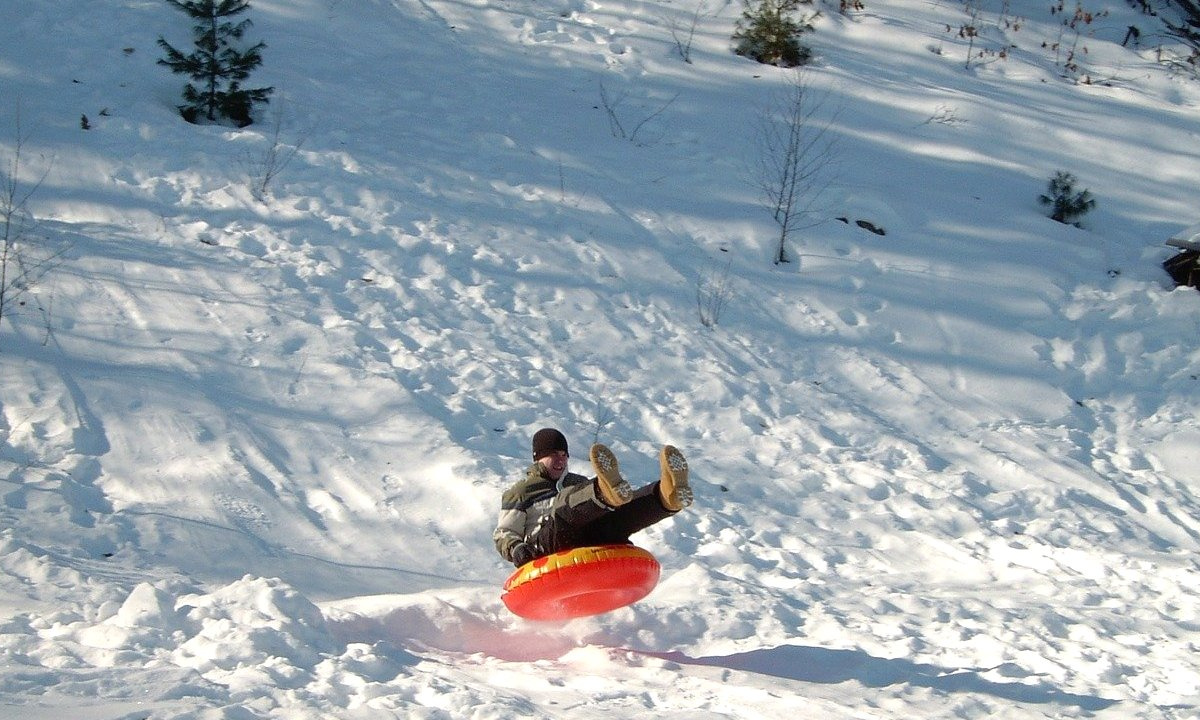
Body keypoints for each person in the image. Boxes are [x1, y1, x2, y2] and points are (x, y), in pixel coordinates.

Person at [494, 428, 693, 567]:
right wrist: (517, 549)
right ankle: (603, 492)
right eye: (554, 454)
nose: (561, 460)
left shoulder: (576, 481)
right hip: (544, 550)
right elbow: (504, 533)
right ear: (538, 457)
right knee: (564, 507)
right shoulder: (521, 492)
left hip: (584, 544)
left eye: (564, 455)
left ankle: (665, 496)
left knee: (616, 516)